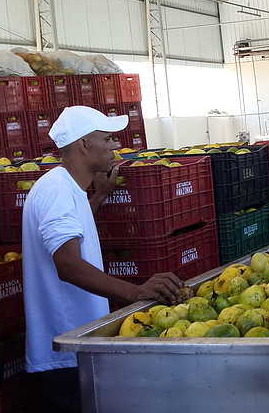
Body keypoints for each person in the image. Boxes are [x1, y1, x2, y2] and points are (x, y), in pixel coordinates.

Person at [22, 106, 183, 413]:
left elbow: (71, 235)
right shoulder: (56, 189)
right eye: (107, 139)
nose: (115, 146)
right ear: (83, 144)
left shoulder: (69, 189)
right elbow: (67, 264)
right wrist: (134, 292)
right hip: (65, 355)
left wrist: (98, 197)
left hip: (78, 346)